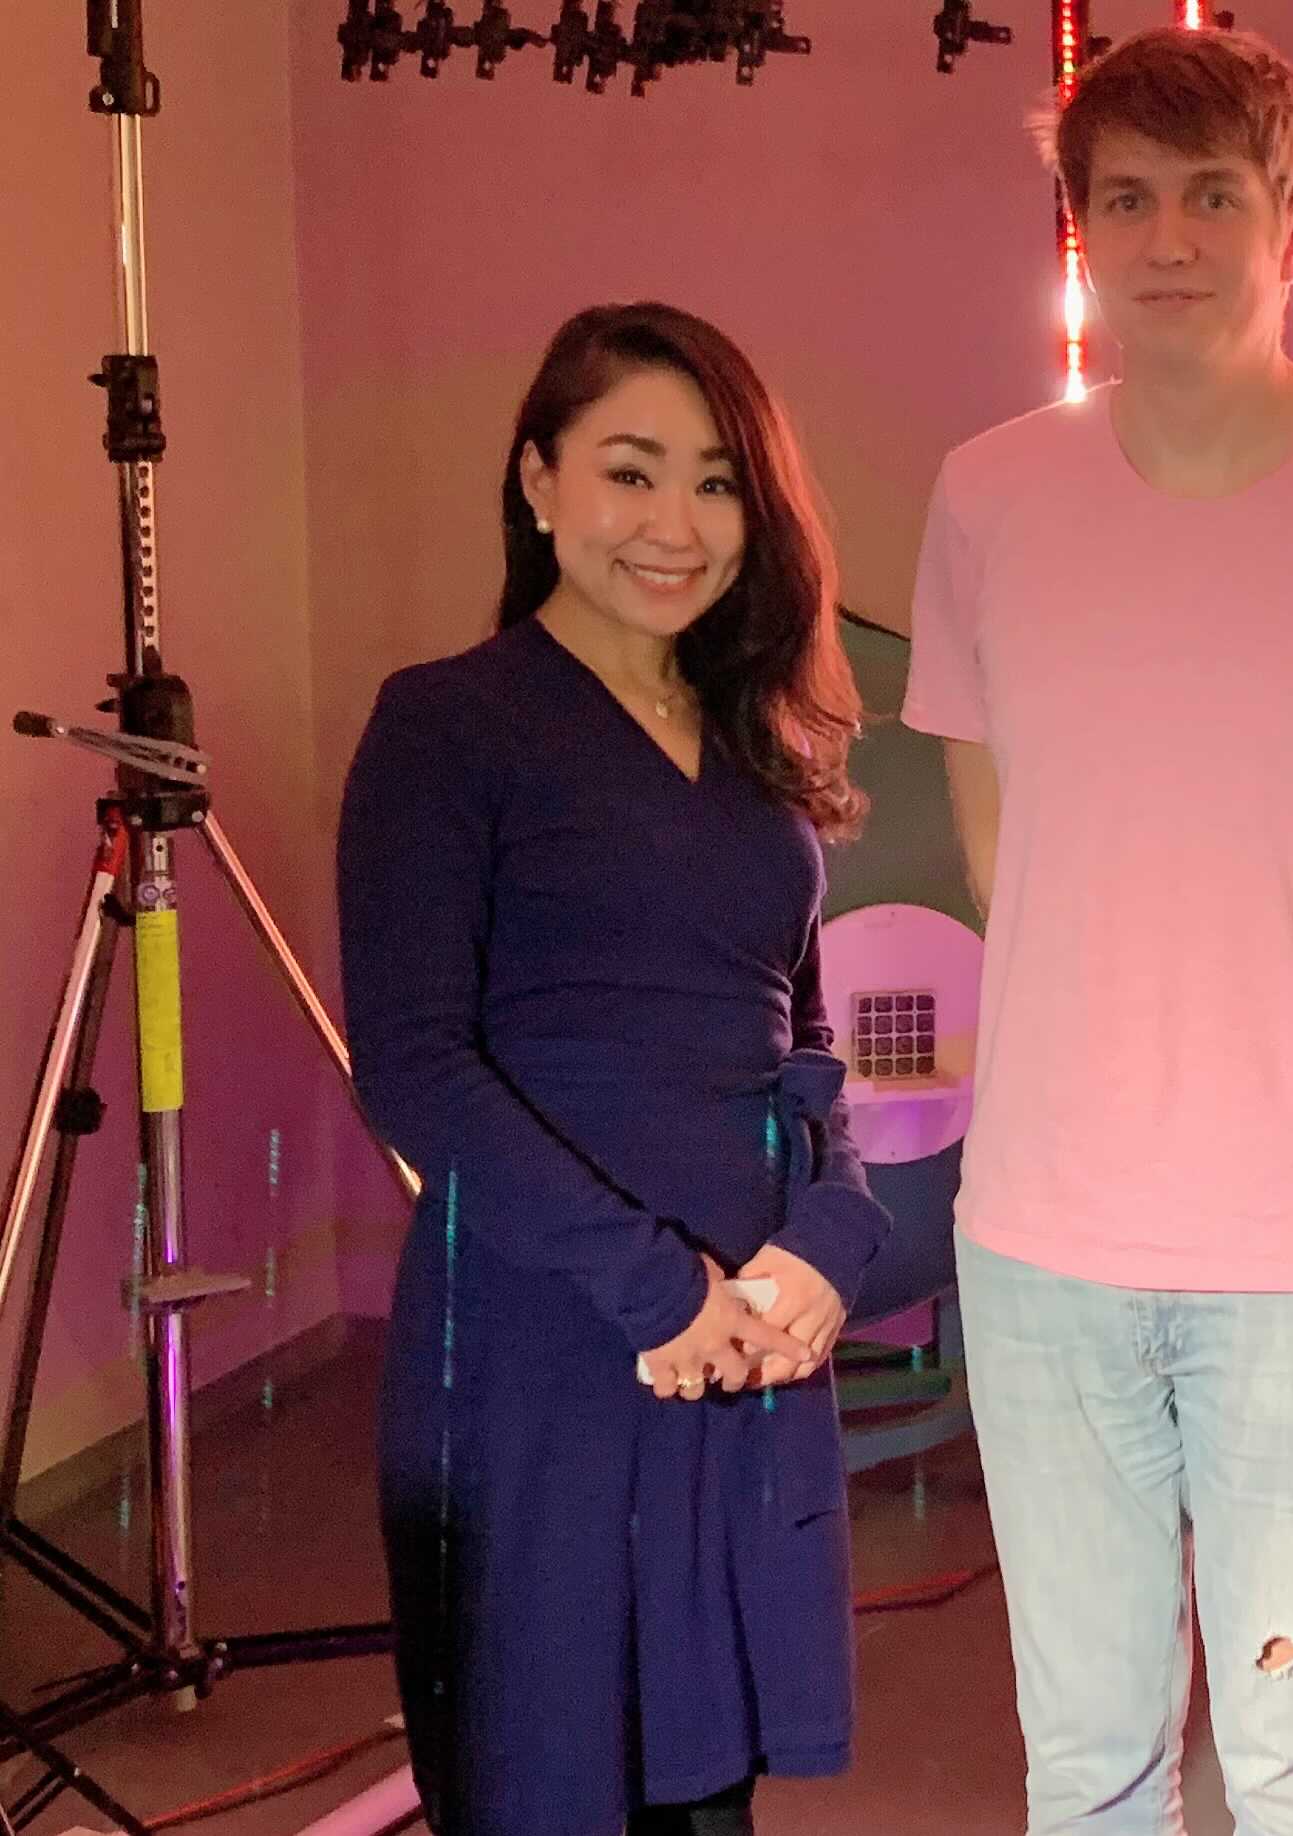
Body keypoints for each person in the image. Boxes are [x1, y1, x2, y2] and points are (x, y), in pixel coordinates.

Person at [900, 25, 1293, 1835]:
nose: (1168, 238)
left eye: (1211, 195)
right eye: (1125, 200)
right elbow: (998, 850)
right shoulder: (989, 498)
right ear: (1080, 229)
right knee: (1086, 1754)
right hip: (1042, 1236)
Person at [339, 302, 891, 1836]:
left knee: (709, 1794)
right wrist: (658, 1291)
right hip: (551, 1343)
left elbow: (805, 1041)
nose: (676, 524)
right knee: (549, 1780)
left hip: (740, 1353)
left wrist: (835, 1235)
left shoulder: (760, 744)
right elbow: (415, 1066)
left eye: (716, 483)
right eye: (630, 472)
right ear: (539, 481)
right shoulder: (447, 725)